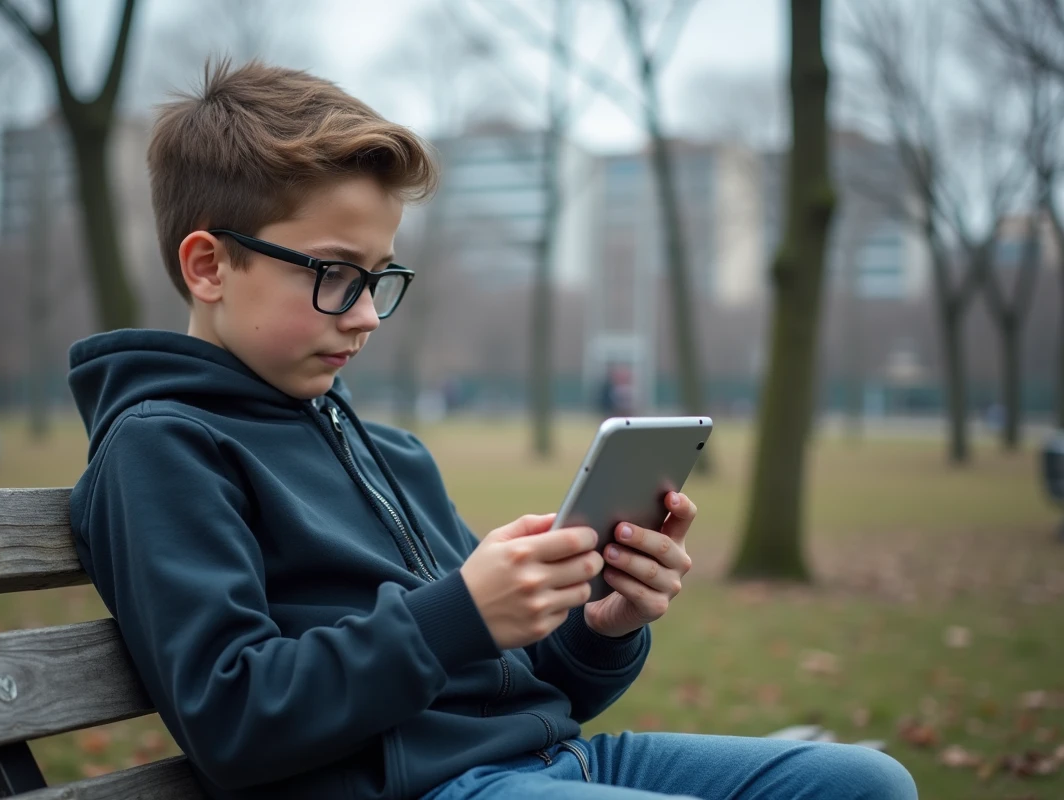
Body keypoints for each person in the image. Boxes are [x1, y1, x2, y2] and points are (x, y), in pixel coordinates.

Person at [66, 60, 917, 800]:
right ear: (210, 265)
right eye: (333, 275)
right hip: (428, 790)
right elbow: (233, 718)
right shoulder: (163, 447)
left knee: (871, 783)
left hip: (545, 763)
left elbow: (529, 686)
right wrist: (457, 614)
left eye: (378, 277)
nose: (366, 315)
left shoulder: (389, 452)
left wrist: (603, 626)